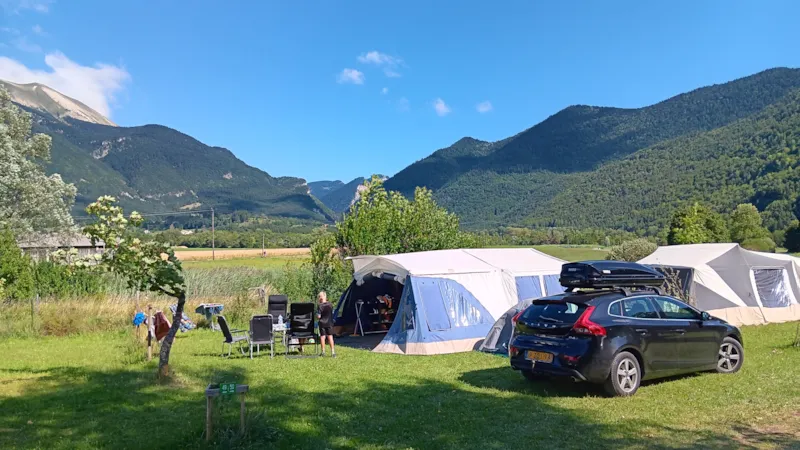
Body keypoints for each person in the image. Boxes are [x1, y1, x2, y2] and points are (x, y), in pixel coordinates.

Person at [317, 291, 336, 357]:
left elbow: (319, 316)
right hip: (329, 323)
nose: (320, 297)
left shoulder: (320, 306)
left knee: (322, 337)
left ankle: (323, 352)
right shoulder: (330, 304)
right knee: (330, 337)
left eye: (320, 296)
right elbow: (332, 312)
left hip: (322, 323)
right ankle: (333, 352)